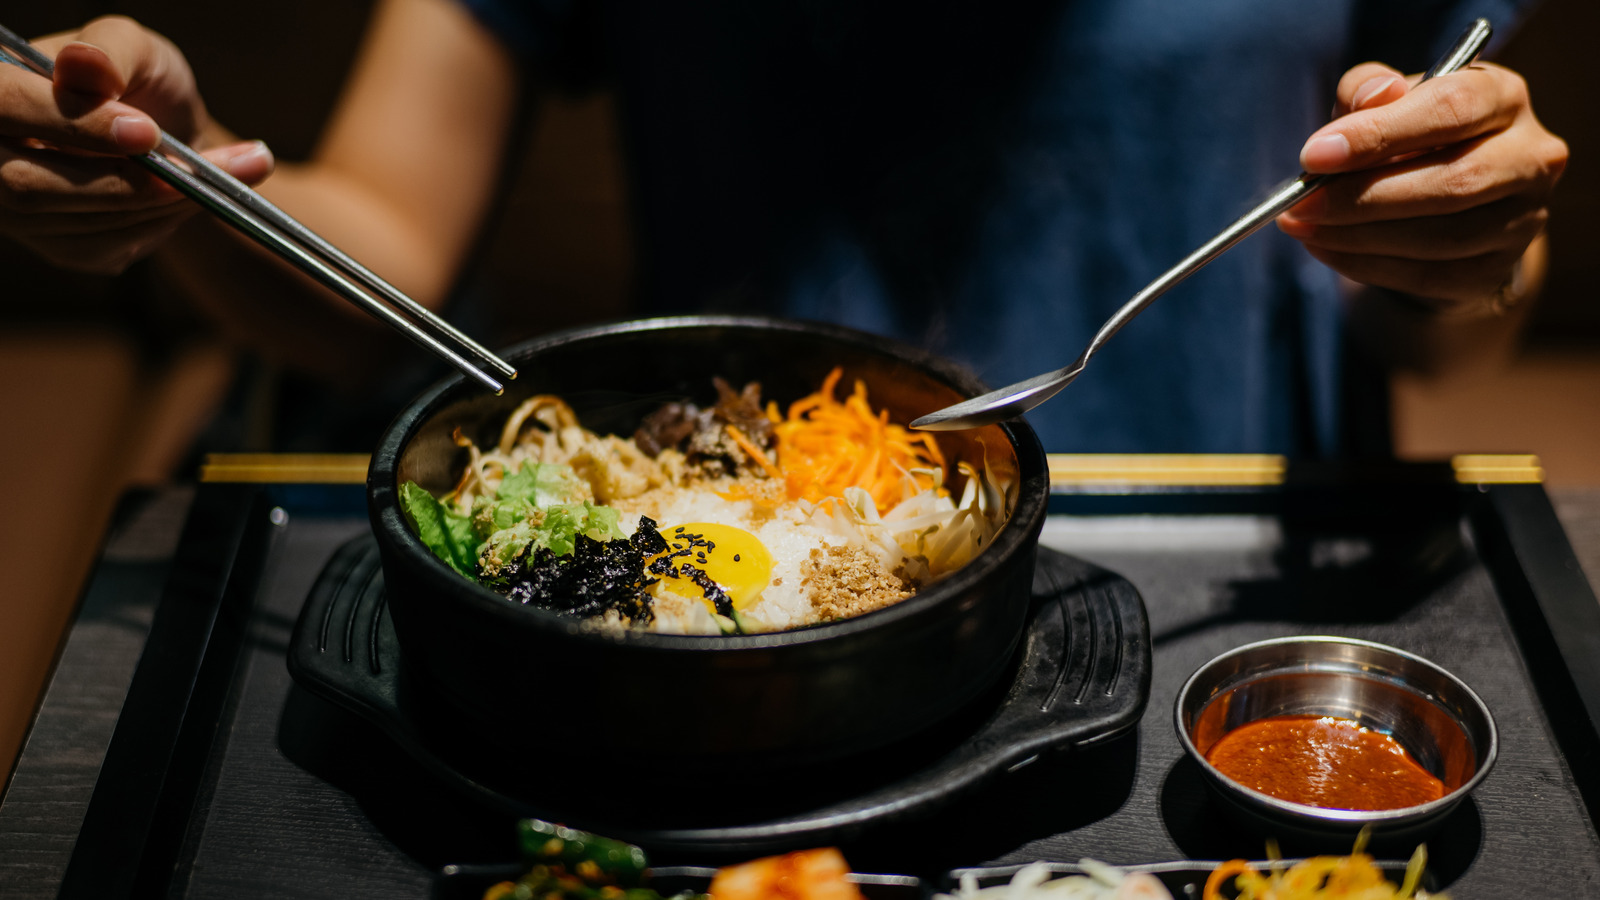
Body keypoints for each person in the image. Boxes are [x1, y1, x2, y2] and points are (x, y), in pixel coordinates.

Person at [0, 0, 1567, 454]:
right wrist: (190, 169)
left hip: (1234, 527)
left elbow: (1440, 274)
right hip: (735, 571)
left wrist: (1460, 247)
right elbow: (382, 241)